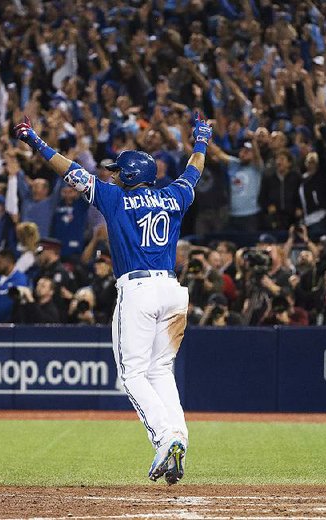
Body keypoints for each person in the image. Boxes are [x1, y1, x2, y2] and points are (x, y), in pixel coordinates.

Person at [15, 111, 212, 485]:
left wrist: (34, 140)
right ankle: (178, 438)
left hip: (138, 289)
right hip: (172, 291)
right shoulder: (174, 195)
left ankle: (165, 438)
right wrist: (201, 137)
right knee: (160, 370)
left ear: (131, 176)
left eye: (118, 172)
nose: (113, 176)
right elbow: (195, 169)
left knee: (132, 373)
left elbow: (69, 171)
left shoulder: (114, 198)